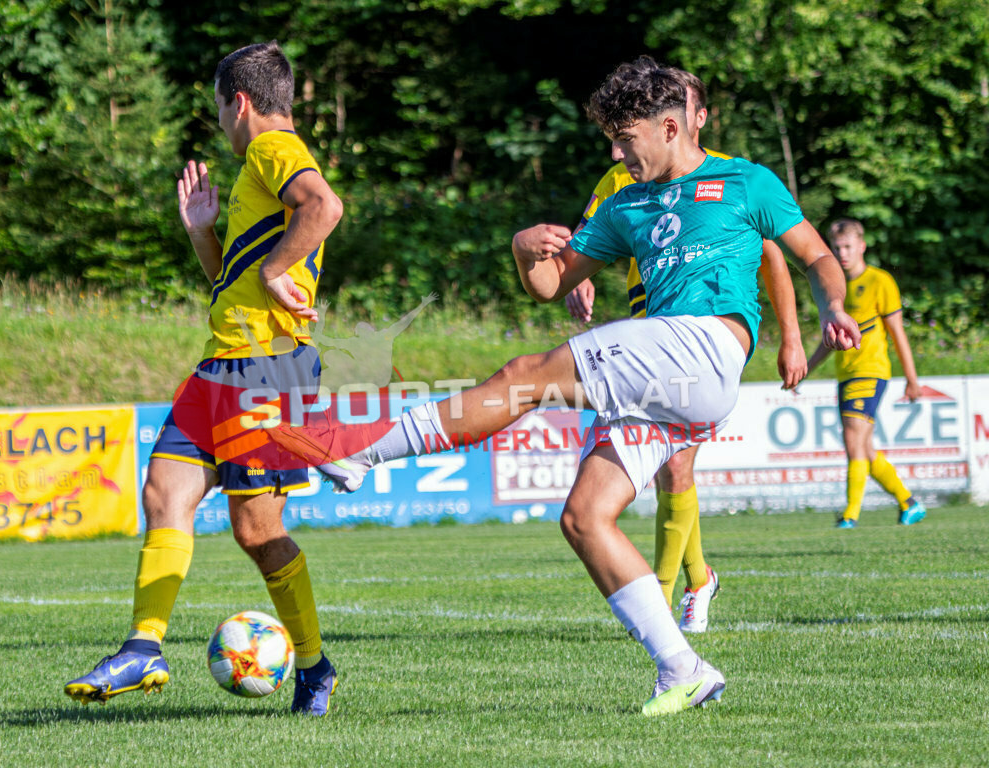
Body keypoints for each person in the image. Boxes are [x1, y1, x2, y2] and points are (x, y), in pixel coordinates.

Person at [270, 61, 860, 717]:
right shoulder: (624, 204)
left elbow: (815, 256)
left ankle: (360, 452)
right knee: (584, 517)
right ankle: (683, 667)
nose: (615, 151)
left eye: (624, 137)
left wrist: (831, 310)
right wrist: (525, 249)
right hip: (669, 381)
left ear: (671, 126)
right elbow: (552, 284)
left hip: (705, 347)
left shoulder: (746, 181)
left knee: (528, 376)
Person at [64, 41, 343, 716]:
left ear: (238, 102)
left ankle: (313, 665)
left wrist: (278, 272)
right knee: (165, 492)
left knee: (256, 531)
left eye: (219, 107)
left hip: (265, 369)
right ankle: (143, 647)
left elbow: (323, 207)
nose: (219, 120)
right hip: (224, 362)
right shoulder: (258, 169)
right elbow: (238, 281)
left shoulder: (273, 151)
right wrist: (204, 236)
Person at [512, 60, 808, 634]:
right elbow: (586, 242)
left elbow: (776, 253)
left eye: (698, 108)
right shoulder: (619, 177)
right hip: (645, 327)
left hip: (703, 338)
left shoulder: (729, 183)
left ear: (690, 121)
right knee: (663, 470)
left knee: (674, 465)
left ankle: (670, 594)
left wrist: (791, 337)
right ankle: (697, 578)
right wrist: (576, 272)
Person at [805, 218, 926, 529]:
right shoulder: (836, 288)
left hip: (870, 371)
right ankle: (909, 502)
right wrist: (805, 368)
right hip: (846, 373)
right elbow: (830, 341)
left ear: (862, 246)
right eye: (836, 248)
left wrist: (912, 379)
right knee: (864, 448)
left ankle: (851, 514)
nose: (842, 253)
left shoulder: (880, 281)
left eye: (847, 247)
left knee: (852, 439)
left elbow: (897, 333)